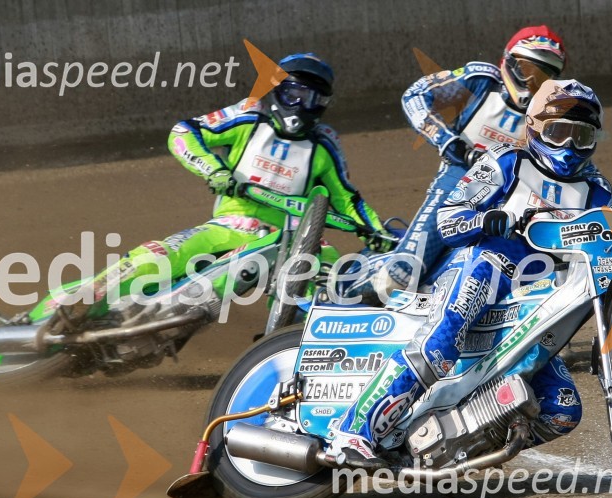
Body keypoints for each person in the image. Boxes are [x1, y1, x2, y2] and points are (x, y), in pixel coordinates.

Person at [330, 79, 612, 468]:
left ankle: (452, 446)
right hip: (483, 267)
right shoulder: (506, 161)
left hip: (542, 302)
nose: (569, 146)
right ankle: (353, 432)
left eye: (582, 136)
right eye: (559, 132)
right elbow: (448, 220)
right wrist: (492, 219)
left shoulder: (598, 192)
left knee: (562, 411)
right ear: (534, 128)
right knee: (440, 347)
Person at [59, 53, 391, 326]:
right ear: (277, 90)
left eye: (314, 99)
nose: (303, 105)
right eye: (295, 94)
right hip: (232, 225)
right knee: (158, 256)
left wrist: (376, 235)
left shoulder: (325, 143)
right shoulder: (248, 114)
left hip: (297, 235)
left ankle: (329, 344)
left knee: (342, 279)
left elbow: (348, 198)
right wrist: (213, 169)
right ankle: (86, 299)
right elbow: (185, 132)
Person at [346, 25, 568, 302]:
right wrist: (450, 143)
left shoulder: (555, 112)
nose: (533, 82)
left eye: (544, 76)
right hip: (459, 182)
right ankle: (341, 290)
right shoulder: (481, 79)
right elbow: (415, 96)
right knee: (403, 274)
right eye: (527, 69)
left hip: (512, 198)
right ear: (508, 62)